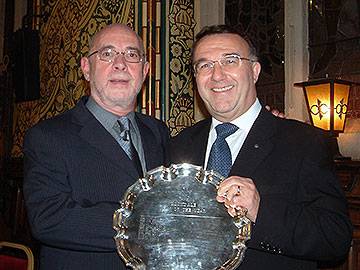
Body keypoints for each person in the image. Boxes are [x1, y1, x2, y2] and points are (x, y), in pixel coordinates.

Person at [170, 24, 352, 269]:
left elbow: (335, 239)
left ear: (254, 71)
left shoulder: (304, 142)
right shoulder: (179, 144)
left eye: (230, 60)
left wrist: (260, 211)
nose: (217, 75)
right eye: (204, 65)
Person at [23, 24, 169, 270]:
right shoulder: (47, 136)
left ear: (145, 71)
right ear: (86, 68)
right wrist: (142, 225)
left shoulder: (157, 131)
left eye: (132, 54)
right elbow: (48, 218)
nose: (121, 63)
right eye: (107, 53)